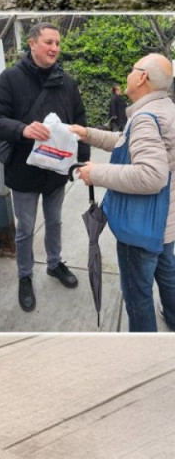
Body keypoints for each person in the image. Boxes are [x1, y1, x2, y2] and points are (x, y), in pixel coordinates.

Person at [0, 22, 88, 313]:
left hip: (56, 173)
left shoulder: (67, 82)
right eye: (49, 42)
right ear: (32, 44)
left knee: (55, 222)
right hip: (23, 172)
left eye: (57, 43)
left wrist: (82, 160)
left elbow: (80, 120)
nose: (54, 48)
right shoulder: (11, 78)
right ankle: (25, 276)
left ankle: (54, 264)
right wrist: (22, 129)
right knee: (25, 229)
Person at [69, 53, 175, 332]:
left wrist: (96, 174)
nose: (128, 74)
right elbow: (125, 142)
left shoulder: (145, 118)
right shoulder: (164, 108)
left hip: (141, 229)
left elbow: (152, 175)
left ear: (142, 77)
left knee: (138, 298)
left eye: (132, 69)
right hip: (166, 224)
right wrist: (88, 134)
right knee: (168, 278)